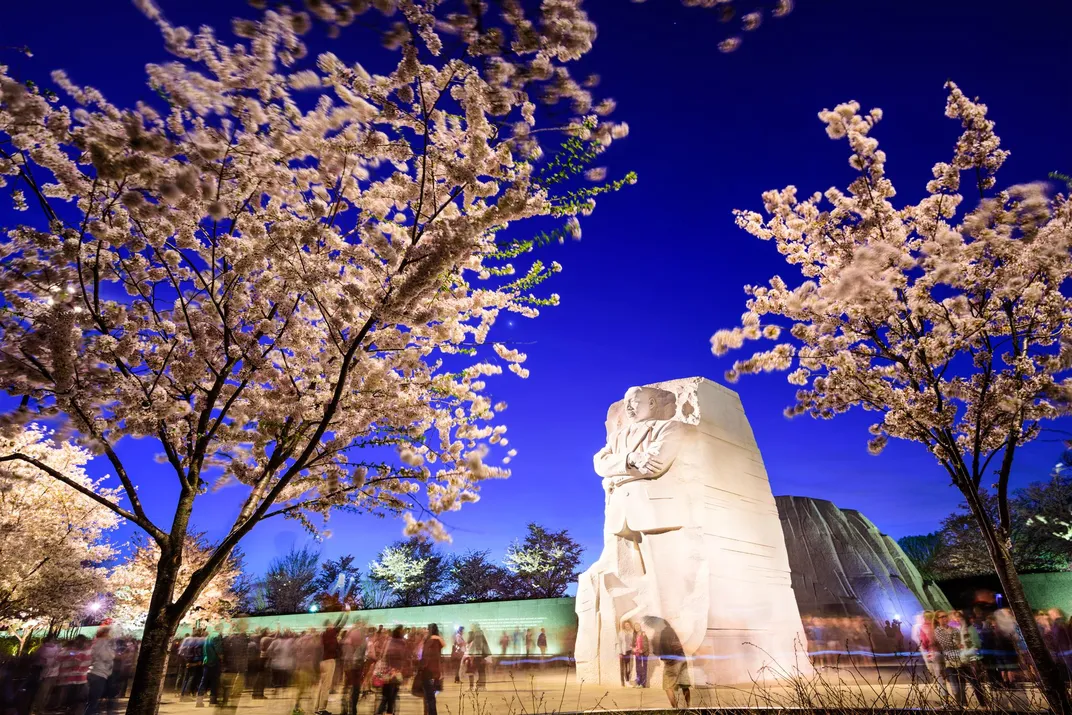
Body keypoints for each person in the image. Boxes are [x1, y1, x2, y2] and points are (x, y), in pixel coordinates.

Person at [645, 618, 690, 708]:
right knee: (684, 684)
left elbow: (662, 649)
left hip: (672, 662)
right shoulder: (671, 630)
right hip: (682, 659)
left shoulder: (661, 633)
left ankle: (675, 709)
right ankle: (689, 706)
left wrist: (654, 645)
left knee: (667, 686)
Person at [374, 626, 406, 715]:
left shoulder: (388, 641)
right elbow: (403, 656)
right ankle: (386, 712)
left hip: (387, 671)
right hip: (394, 672)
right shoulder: (401, 643)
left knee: (388, 694)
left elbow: (383, 655)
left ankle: (381, 711)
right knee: (391, 694)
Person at [84, 627, 115, 715]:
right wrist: (112, 655)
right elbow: (106, 656)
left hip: (95, 672)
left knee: (91, 701)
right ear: (105, 633)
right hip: (99, 673)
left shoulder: (96, 642)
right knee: (93, 701)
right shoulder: (102, 643)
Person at [417, 624, 444, 715]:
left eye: (428, 629)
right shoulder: (438, 641)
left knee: (429, 696)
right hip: (436, 671)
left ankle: (430, 713)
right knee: (431, 695)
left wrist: (421, 667)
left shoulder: (430, 641)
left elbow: (425, 656)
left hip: (427, 671)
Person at [316, 620, 341, 715]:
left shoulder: (323, 634)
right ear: (328, 626)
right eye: (331, 623)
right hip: (329, 661)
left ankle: (317, 708)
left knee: (321, 686)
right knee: (326, 686)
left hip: (322, 661)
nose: (333, 624)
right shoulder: (330, 633)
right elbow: (340, 624)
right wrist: (345, 614)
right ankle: (322, 709)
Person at [198, 627, 224, 707]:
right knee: (214, 681)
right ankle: (212, 701)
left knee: (204, 680)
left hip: (206, 661)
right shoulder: (217, 636)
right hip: (214, 661)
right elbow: (218, 650)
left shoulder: (208, 637)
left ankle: (199, 701)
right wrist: (222, 657)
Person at [179, 630, 206, 700]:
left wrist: (186, 660)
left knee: (186, 678)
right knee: (193, 677)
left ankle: (182, 694)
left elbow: (181, 651)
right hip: (196, 660)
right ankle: (187, 693)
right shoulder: (200, 641)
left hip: (187, 660)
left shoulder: (187, 640)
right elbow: (202, 651)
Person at [466, 625, 490, 692]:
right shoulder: (479, 633)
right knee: (480, 671)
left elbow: (478, 646)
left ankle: (480, 686)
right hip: (481, 655)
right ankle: (481, 686)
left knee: (478, 670)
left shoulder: (478, 634)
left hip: (479, 656)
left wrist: (472, 655)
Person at [633, 623, 651, 688]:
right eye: (635, 627)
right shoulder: (634, 635)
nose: (637, 628)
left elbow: (646, 644)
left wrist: (642, 650)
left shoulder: (643, 634)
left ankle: (643, 684)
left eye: (638, 626)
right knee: (638, 669)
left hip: (644, 654)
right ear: (634, 628)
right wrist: (634, 649)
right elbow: (632, 644)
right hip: (637, 654)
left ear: (640, 627)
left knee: (643, 669)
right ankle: (638, 683)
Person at [617, 621, 634, 687]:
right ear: (624, 626)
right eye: (626, 625)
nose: (627, 626)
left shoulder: (632, 632)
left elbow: (633, 641)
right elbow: (619, 643)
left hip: (629, 651)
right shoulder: (621, 633)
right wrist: (620, 652)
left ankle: (627, 680)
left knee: (628, 667)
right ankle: (623, 682)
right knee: (622, 667)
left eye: (628, 624)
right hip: (623, 652)